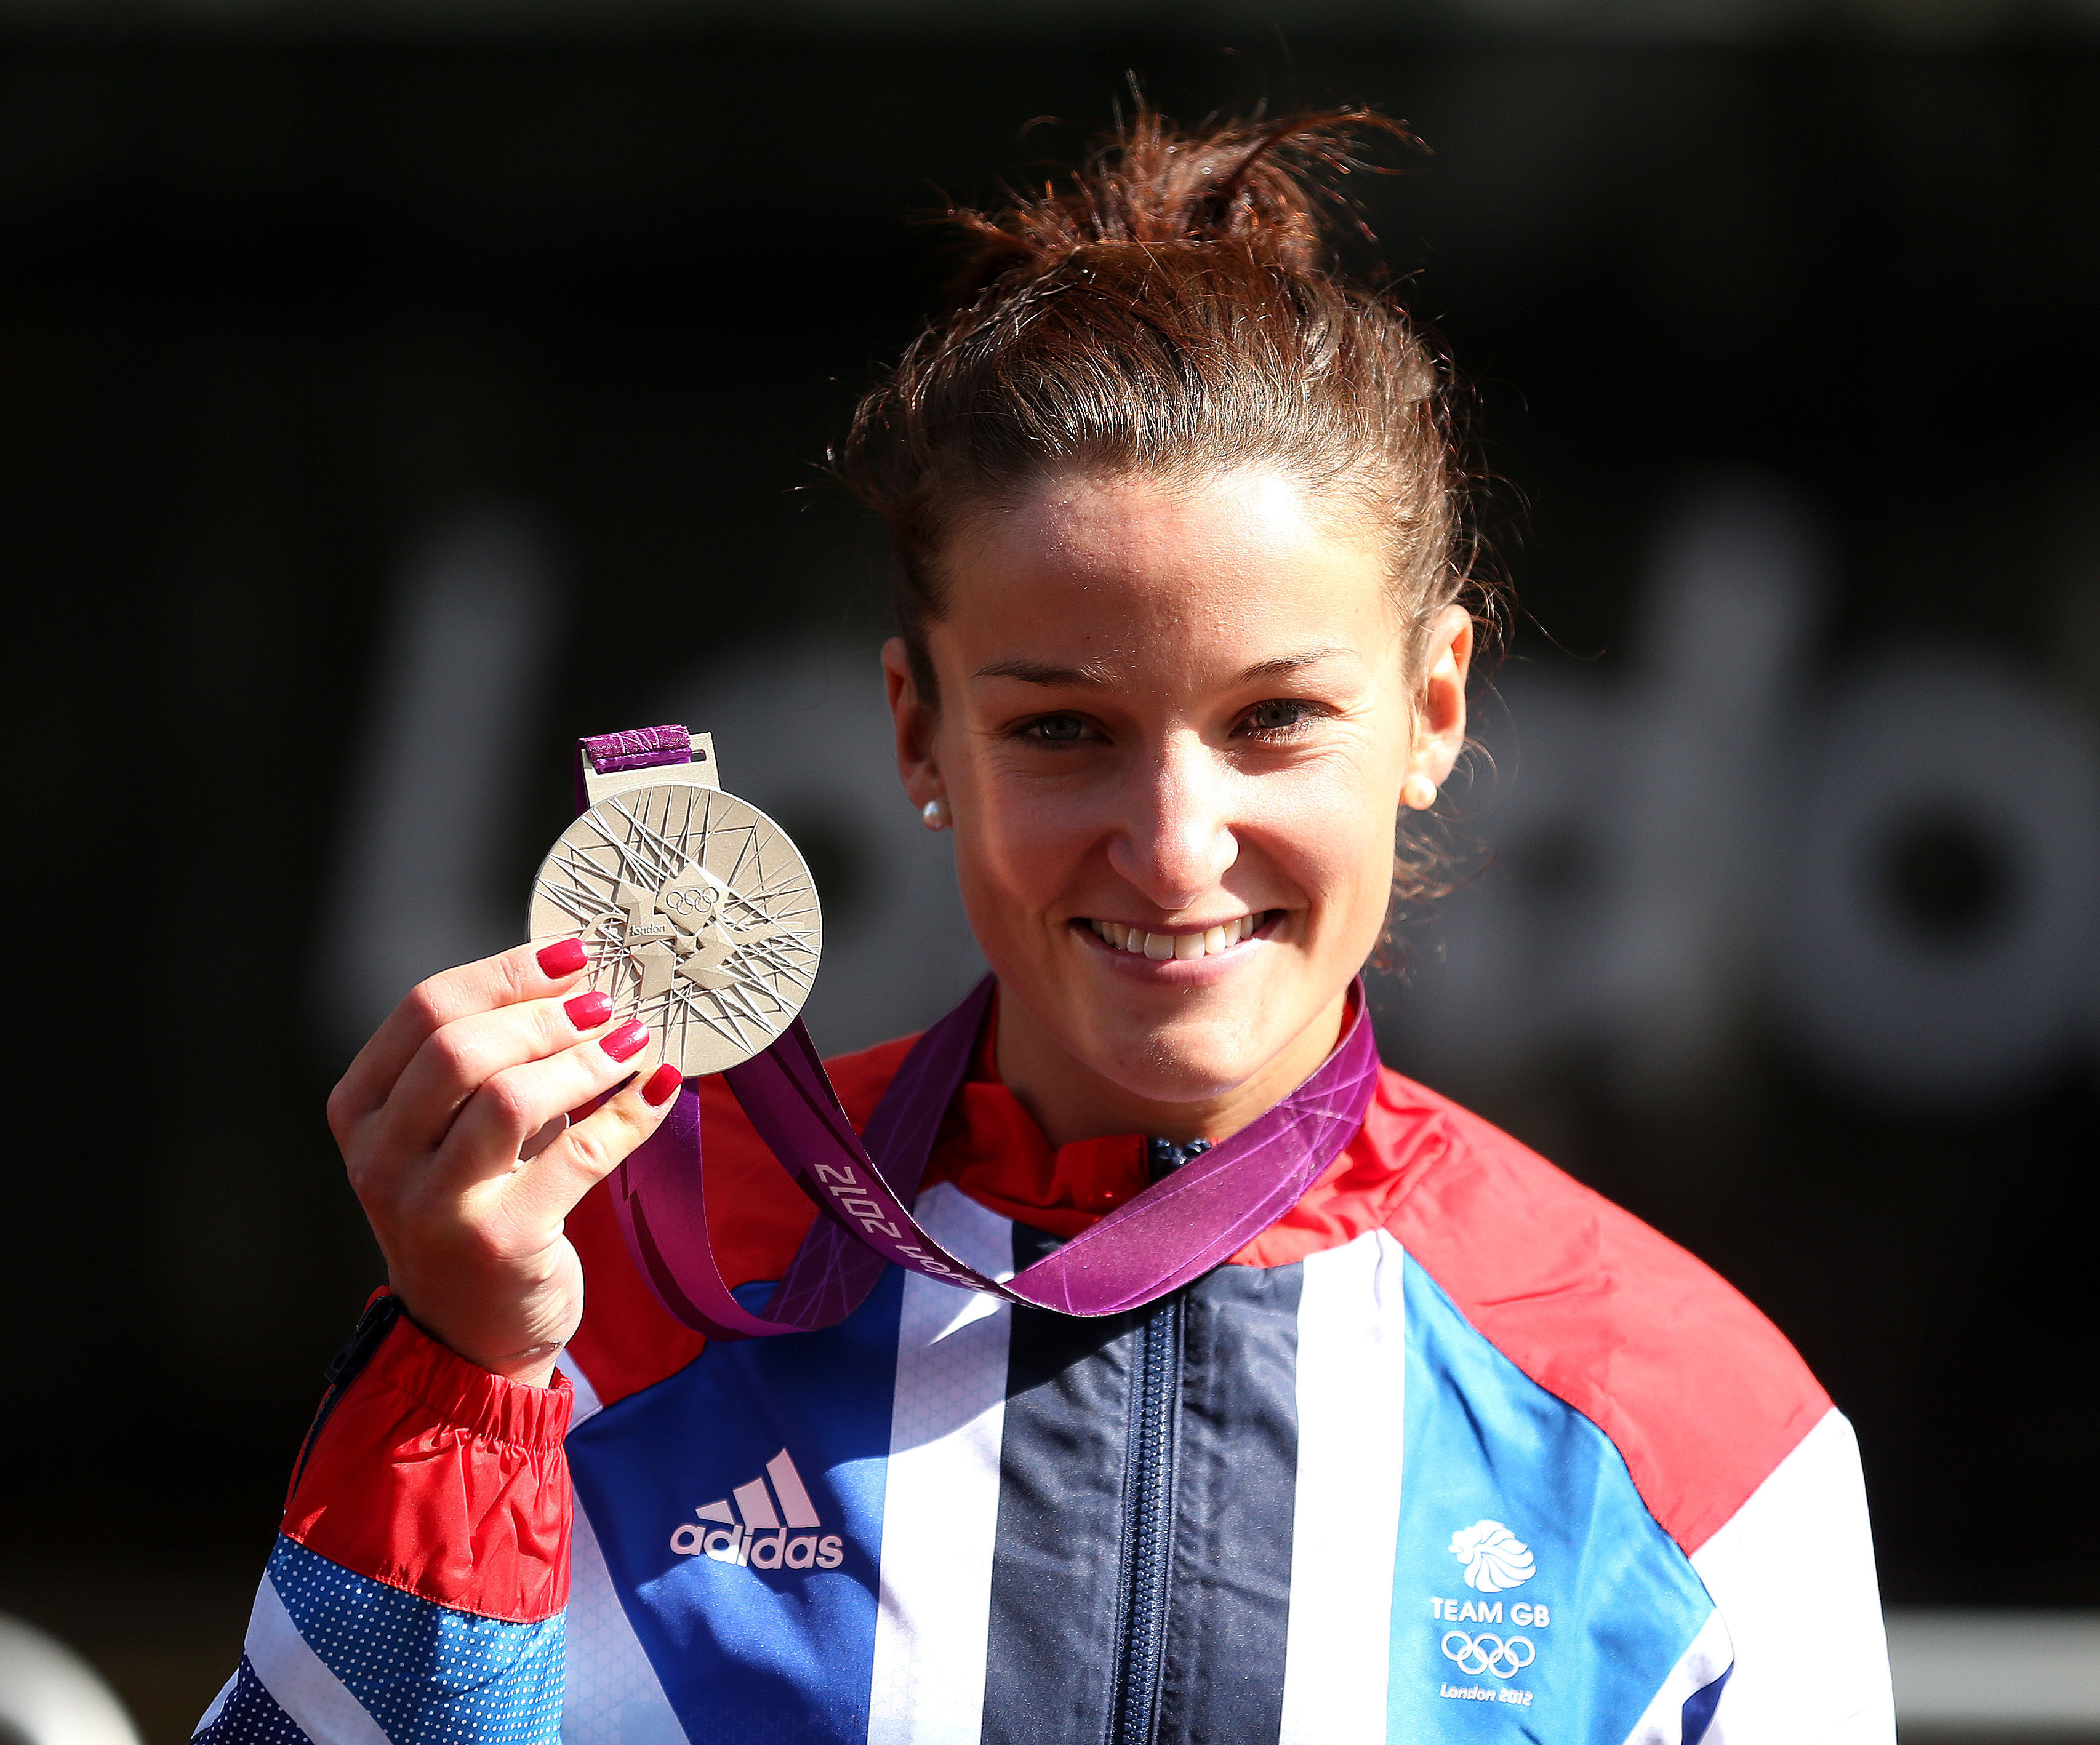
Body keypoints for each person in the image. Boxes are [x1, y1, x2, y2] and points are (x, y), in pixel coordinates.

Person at [193, 108, 1893, 1745]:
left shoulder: (1686, 1417)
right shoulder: (605, 1281)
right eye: (1062, 728)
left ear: (1434, 709)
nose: (1170, 846)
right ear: (917, 730)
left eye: (1275, 719)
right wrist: (461, 1367)